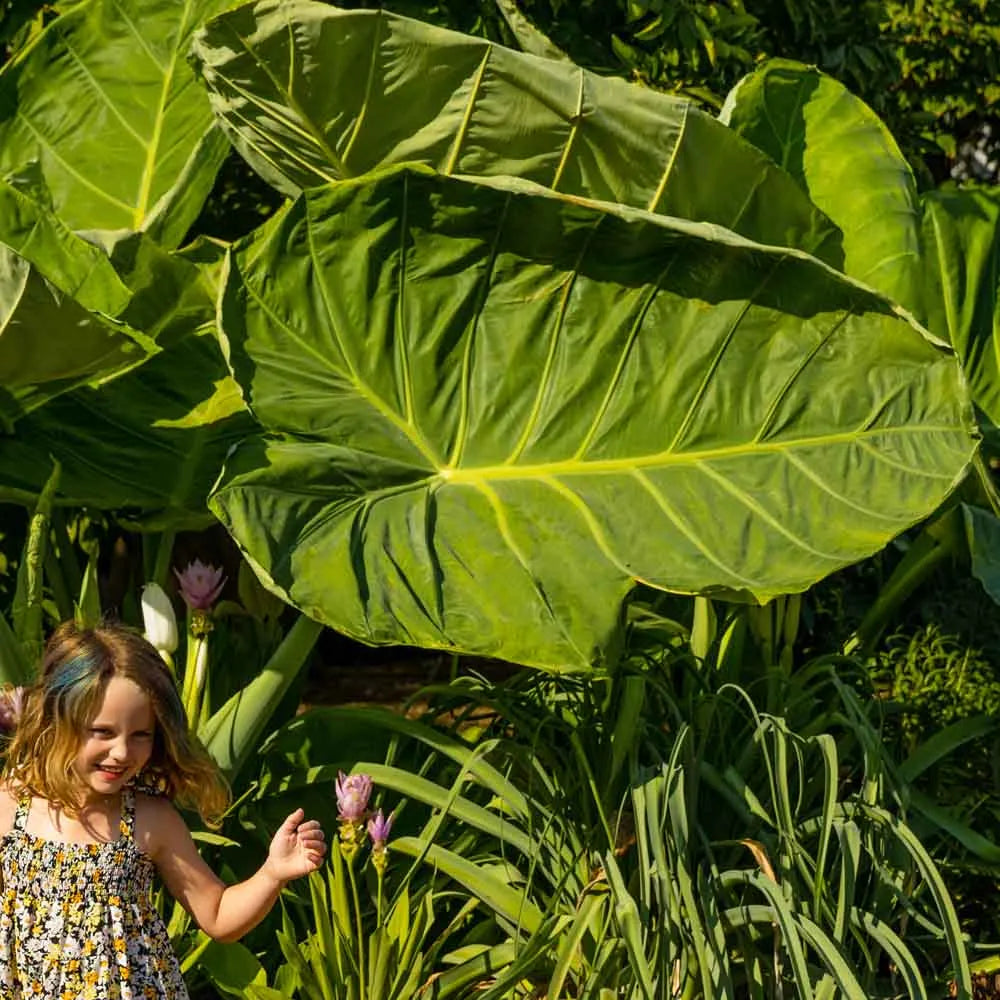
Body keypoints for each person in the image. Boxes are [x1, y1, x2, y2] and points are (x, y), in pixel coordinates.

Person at [0, 620, 326, 998]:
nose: (121, 752)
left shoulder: (149, 821)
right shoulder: (11, 805)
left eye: (140, 735)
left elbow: (218, 916)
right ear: (57, 720)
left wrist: (273, 873)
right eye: (102, 732)